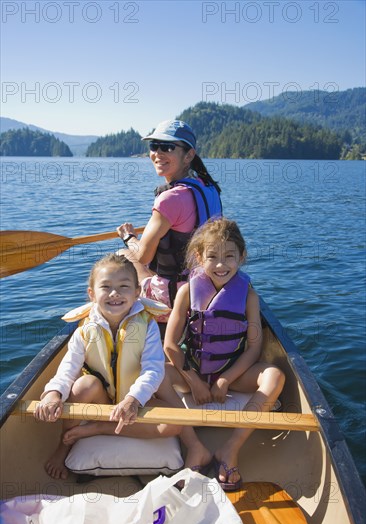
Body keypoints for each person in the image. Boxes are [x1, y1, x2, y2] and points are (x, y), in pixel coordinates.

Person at [156, 218, 285, 491]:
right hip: (192, 370)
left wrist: (225, 379)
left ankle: (231, 447)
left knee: (275, 376)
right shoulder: (186, 293)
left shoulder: (249, 297)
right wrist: (192, 380)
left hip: (233, 371)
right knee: (154, 375)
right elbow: (169, 345)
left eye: (229, 256)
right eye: (212, 257)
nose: (220, 265)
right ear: (199, 257)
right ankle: (195, 447)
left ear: (242, 257)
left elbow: (254, 348)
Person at [34, 253, 181, 480]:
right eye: (106, 287)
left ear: (136, 293)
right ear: (92, 294)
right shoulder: (84, 329)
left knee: (175, 424)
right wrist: (52, 394)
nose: (115, 293)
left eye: (124, 286)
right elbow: (67, 368)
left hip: (133, 402)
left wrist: (133, 399)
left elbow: (153, 369)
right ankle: (63, 446)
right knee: (83, 385)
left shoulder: (147, 325)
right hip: (100, 400)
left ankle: (97, 429)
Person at [116, 120, 222, 317]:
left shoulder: (170, 199)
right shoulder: (209, 188)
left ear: (189, 155)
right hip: (206, 287)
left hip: (175, 299)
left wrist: (129, 237)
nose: (158, 153)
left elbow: (143, 257)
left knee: (123, 255)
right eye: (154, 146)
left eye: (167, 147)